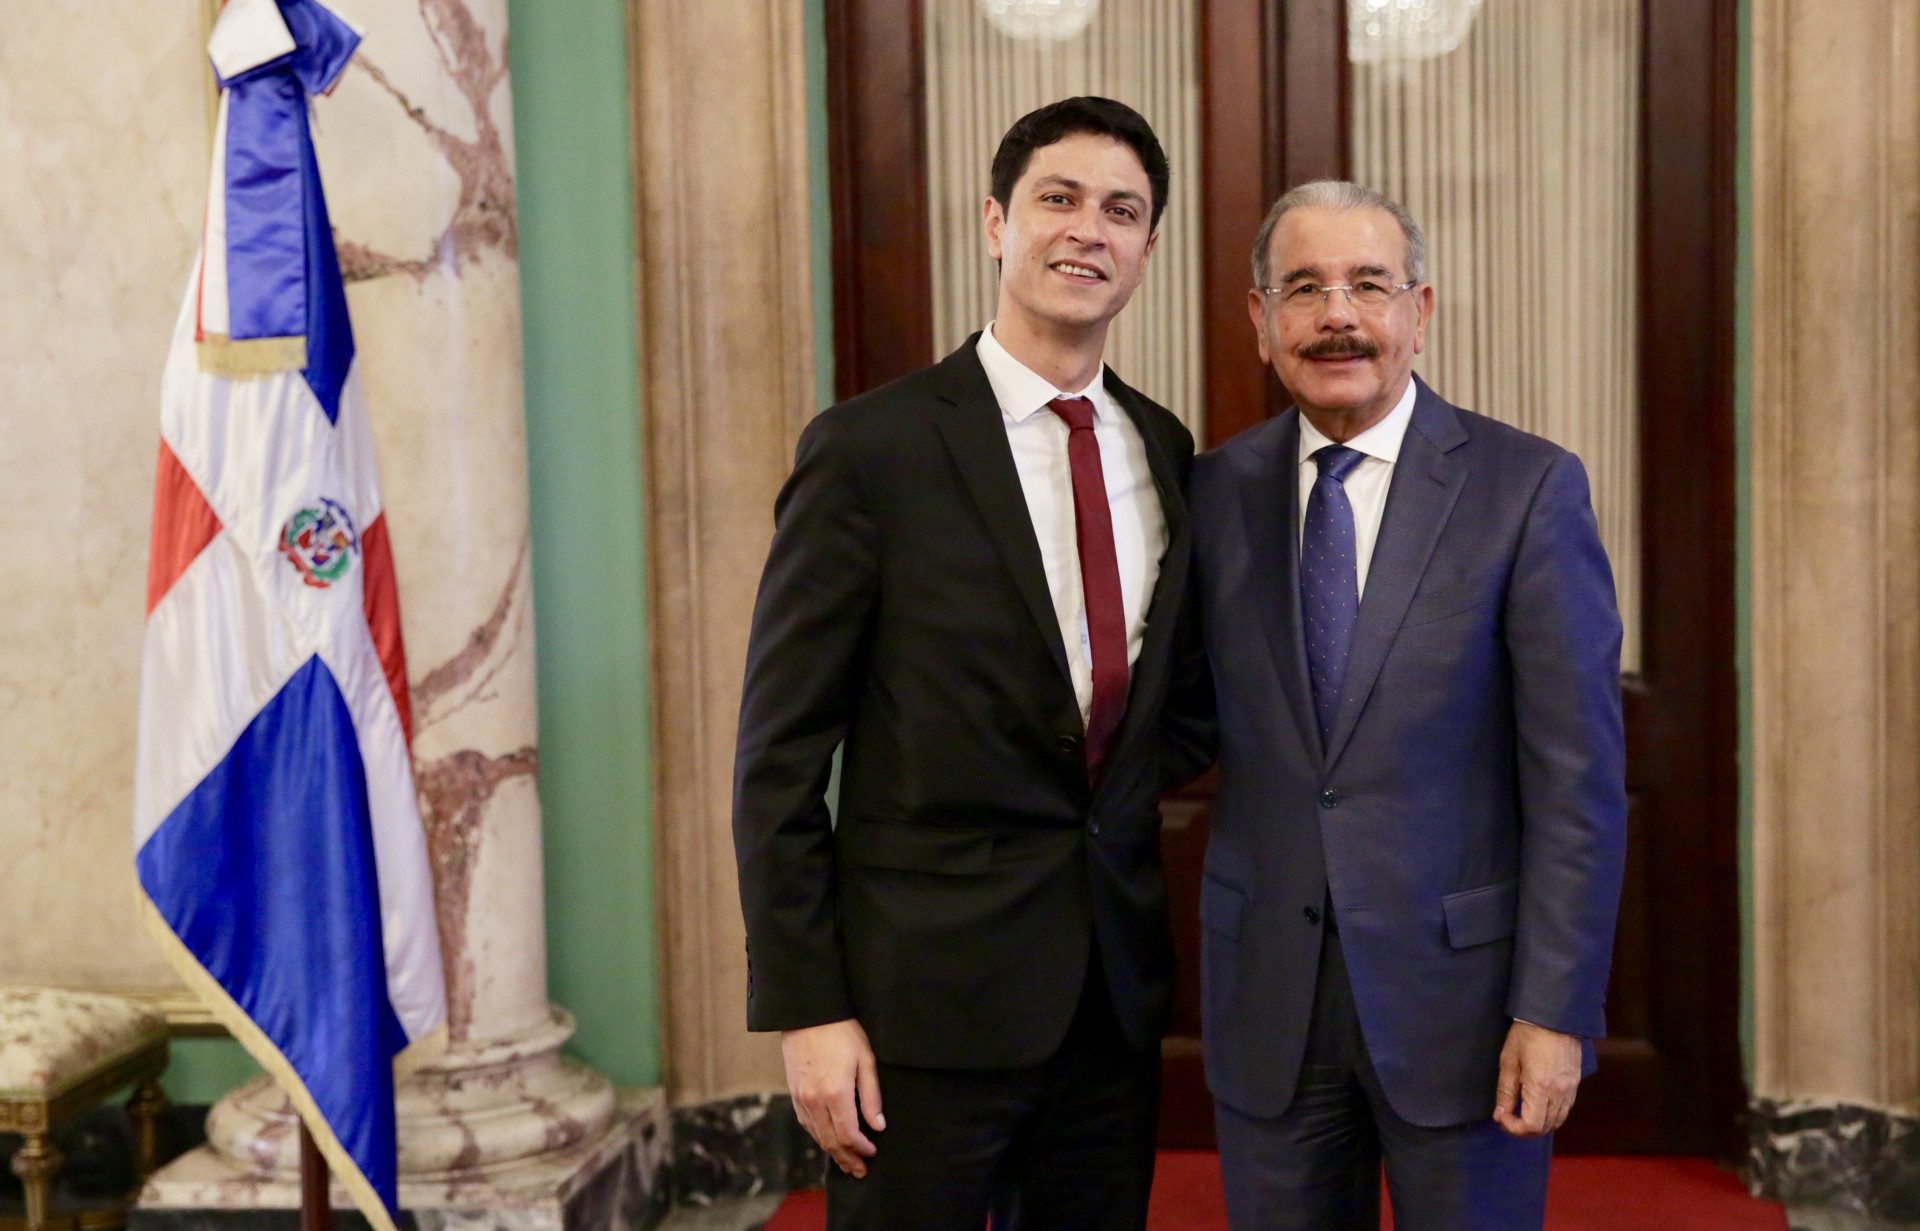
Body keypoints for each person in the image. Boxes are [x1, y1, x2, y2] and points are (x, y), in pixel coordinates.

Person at [732, 97, 1200, 1231]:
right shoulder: (870, 449)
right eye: (1058, 198)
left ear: (1147, 248)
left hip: (1109, 1003)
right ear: (996, 222)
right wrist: (809, 1008)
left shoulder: (1166, 448)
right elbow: (779, 757)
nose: (1087, 229)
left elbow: (1171, 706)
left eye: (1121, 211)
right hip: (917, 1011)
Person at [1184, 181, 1629, 1230]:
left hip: (1466, 1010)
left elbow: (1577, 783)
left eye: (1369, 285)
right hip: (1268, 1001)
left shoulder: (1526, 488)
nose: (1336, 315)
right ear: (1261, 321)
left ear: (1418, 311)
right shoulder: (1213, 493)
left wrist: (1554, 1010)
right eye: (1303, 288)